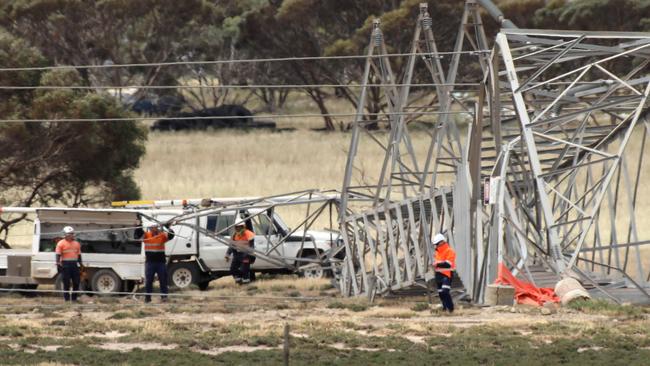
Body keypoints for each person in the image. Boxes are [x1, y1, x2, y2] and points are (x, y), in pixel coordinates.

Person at [135, 219, 175, 303]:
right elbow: (138, 235)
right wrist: (138, 225)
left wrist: (168, 227)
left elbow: (171, 235)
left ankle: (164, 297)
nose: (154, 228)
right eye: (152, 227)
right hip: (150, 263)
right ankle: (148, 298)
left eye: (156, 227)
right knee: (149, 280)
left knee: (163, 279)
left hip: (160, 263)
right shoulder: (146, 235)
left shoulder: (162, 235)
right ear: (150, 228)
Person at [55, 226, 83, 302]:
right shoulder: (60, 243)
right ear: (65, 234)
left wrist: (81, 265)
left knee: (76, 282)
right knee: (66, 283)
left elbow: (79, 255)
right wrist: (58, 264)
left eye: (71, 234)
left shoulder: (77, 243)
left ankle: (74, 299)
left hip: (74, 265)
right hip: (65, 265)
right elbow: (58, 254)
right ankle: (66, 299)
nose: (70, 235)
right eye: (68, 234)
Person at [225, 217, 255, 284]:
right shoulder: (234, 235)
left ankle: (246, 283)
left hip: (246, 255)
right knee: (232, 269)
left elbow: (251, 247)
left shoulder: (249, 234)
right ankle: (239, 279)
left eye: (239, 227)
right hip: (237, 255)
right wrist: (227, 255)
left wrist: (247, 255)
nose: (238, 229)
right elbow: (231, 246)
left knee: (244, 270)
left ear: (243, 227)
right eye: (236, 227)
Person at [432, 233, 456, 312]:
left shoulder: (449, 251)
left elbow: (448, 264)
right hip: (438, 275)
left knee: (445, 291)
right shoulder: (437, 252)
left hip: (447, 274)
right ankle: (444, 308)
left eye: (437, 244)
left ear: (442, 242)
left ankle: (451, 309)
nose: (436, 246)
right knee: (441, 293)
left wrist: (437, 264)